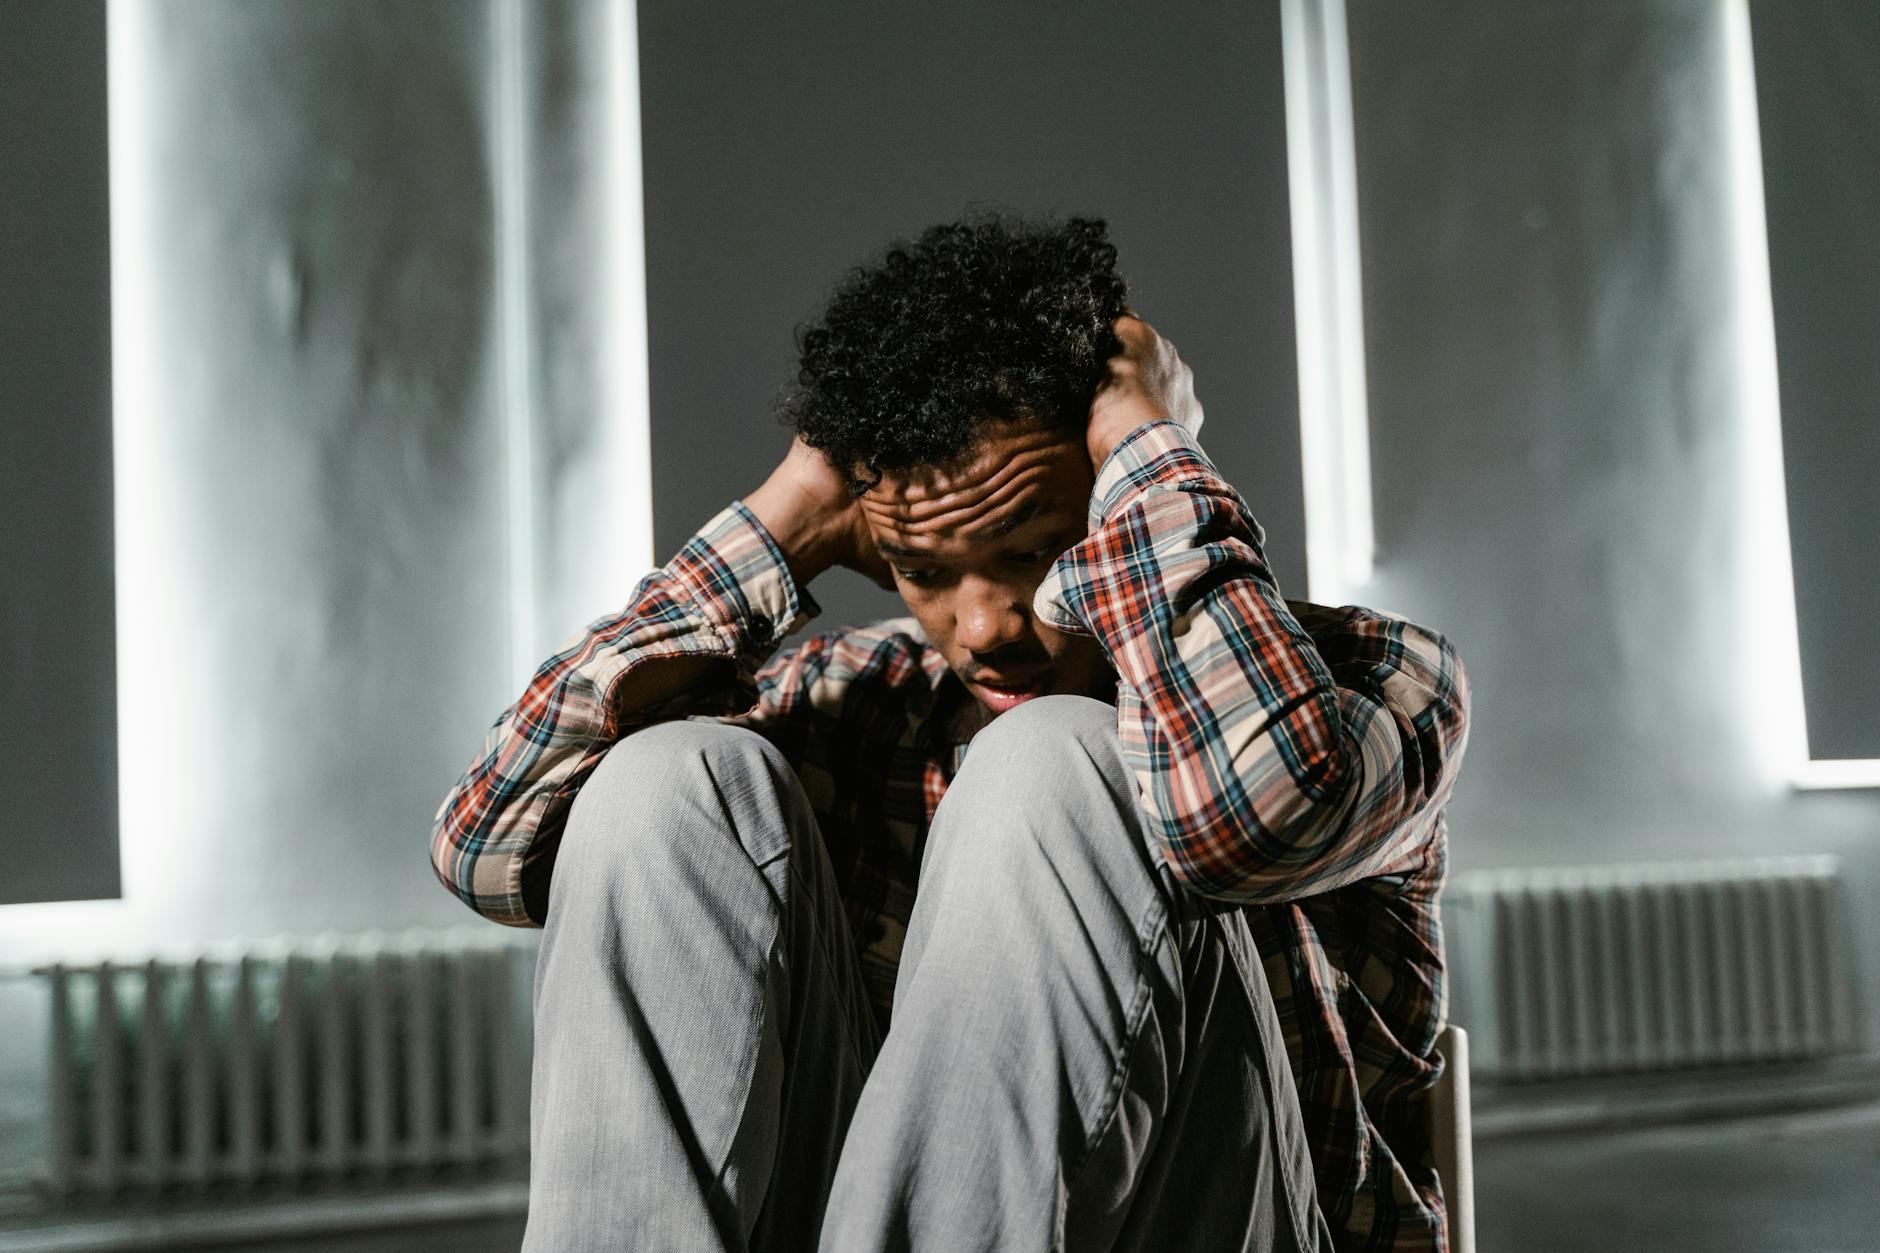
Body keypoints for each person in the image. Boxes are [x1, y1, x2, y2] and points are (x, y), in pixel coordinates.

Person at [430, 213, 1471, 1252]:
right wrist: (783, 514)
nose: (983, 628)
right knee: (665, 778)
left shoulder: (1370, 677)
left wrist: (1147, 440)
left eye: (1032, 551)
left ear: (1112, 501)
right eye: (927, 571)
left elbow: (1255, 817)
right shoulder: (860, 696)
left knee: (1055, 760)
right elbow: (487, 846)